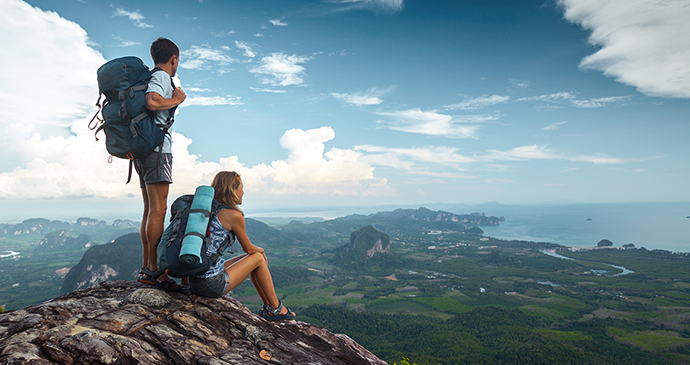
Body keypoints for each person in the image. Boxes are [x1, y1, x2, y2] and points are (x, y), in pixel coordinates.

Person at [189, 171, 296, 321]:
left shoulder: (208, 210)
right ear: (232, 190)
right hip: (210, 284)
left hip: (195, 279)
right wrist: (262, 250)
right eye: (241, 188)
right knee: (257, 257)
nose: (243, 192)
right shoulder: (233, 215)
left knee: (251, 259)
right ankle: (276, 308)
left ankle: (269, 307)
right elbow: (249, 248)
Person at [136, 37, 186, 290]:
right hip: (157, 151)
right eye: (178, 61)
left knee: (149, 210)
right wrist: (177, 99)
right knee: (158, 210)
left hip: (144, 151)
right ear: (173, 59)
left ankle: (147, 268)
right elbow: (153, 101)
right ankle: (154, 270)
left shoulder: (149, 76)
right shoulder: (162, 77)